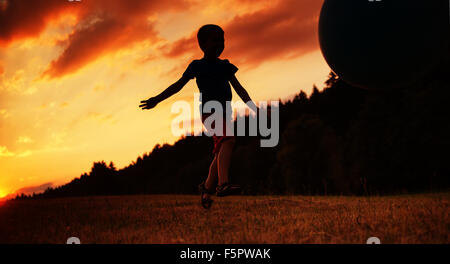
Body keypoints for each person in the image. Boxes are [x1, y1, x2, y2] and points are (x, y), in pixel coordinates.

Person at [139, 24, 259, 209]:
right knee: (229, 140)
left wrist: (253, 107)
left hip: (224, 113)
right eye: (215, 40)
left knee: (220, 152)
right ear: (202, 44)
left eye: (222, 40)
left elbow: (239, 89)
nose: (220, 44)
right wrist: (157, 99)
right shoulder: (197, 65)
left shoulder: (225, 66)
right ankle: (222, 185)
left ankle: (206, 191)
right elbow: (177, 86)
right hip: (209, 112)